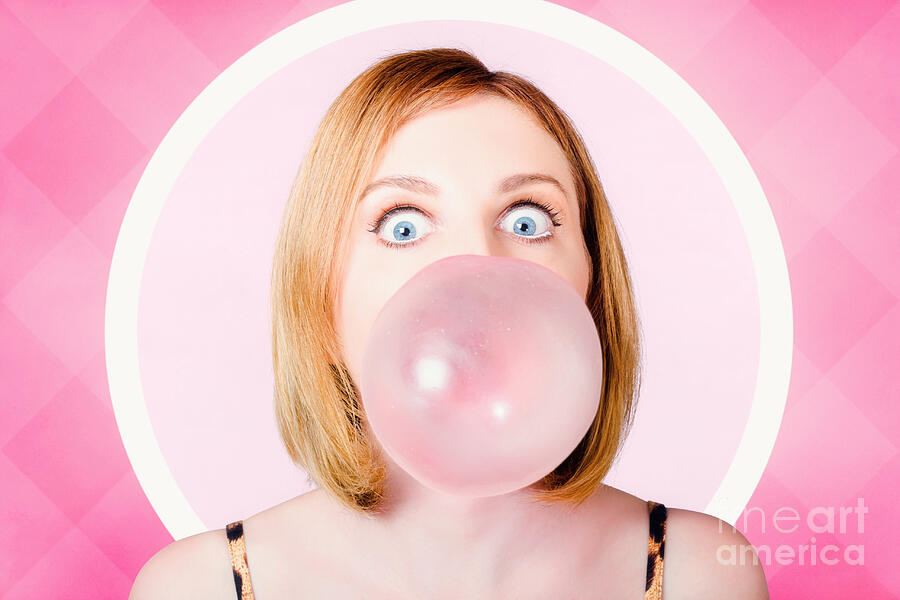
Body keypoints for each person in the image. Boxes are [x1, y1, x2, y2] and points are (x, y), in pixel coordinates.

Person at [130, 47, 769, 599]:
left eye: (527, 221)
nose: (475, 265)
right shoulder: (199, 591)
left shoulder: (700, 577)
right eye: (402, 225)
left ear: (592, 291)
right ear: (320, 301)